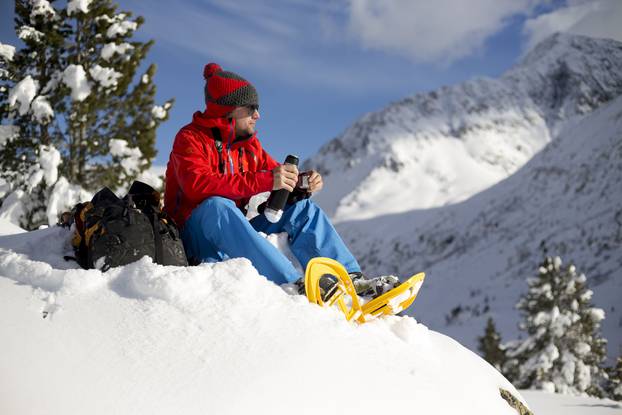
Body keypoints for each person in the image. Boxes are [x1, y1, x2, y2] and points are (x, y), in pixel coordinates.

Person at [164, 63, 397, 297]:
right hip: (193, 238)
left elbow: (277, 172)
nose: (258, 115)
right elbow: (196, 186)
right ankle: (295, 285)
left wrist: (303, 180)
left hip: (234, 234)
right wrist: (266, 180)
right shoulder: (190, 138)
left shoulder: (249, 146)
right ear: (229, 109)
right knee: (217, 205)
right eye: (251, 108)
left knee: (301, 209)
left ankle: (350, 281)